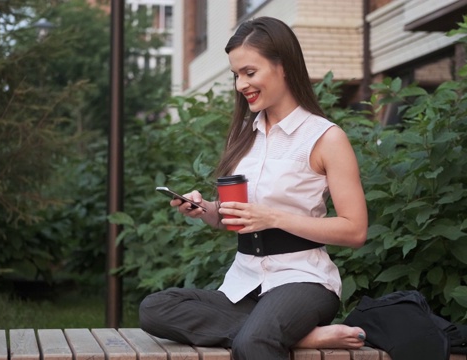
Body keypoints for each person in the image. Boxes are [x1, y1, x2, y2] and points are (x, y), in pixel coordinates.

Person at [139, 16, 368, 360]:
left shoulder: (325, 138)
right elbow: (235, 219)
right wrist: (206, 211)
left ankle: (264, 333)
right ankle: (302, 339)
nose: (240, 85)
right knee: (154, 308)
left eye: (249, 72)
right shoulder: (243, 134)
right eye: (236, 75)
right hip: (244, 282)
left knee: (253, 344)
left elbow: (355, 230)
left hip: (302, 280)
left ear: (284, 67)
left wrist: (273, 217)